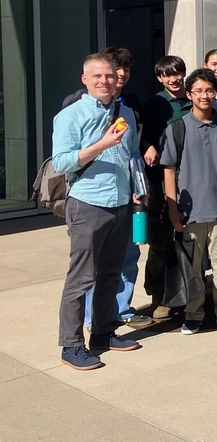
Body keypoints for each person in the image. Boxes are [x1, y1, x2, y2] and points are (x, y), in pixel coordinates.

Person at [53, 53, 145, 369]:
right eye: (97, 76)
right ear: (85, 80)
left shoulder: (128, 114)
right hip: (88, 203)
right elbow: (62, 162)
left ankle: (104, 333)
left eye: (109, 75)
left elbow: (133, 154)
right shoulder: (70, 115)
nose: (104, 81)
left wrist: (138, 185)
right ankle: (71, 345)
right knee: (81, 278)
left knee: (110, 273)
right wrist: (102, 145)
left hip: (121, 203)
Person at [72, 46, 151, 331]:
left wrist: (138, 185)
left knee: (128, 255)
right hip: (91, 198)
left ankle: (120, 308)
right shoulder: (76, 106)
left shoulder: (130, 107)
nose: (118, 75)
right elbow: (66, 157)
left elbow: (132, 153)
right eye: (112, 70)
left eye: (124, 70)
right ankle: (93, 318)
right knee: (92, 264)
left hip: (125, 193)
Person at [161, 70, 217, 334]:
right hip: (190, 213)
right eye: (198, 91)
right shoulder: (178, 128)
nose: (205, 95)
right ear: (189, 95)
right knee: (193, 267)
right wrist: (173, 210)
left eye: (209, 90)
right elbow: (169, 170)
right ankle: (193, 313)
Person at [139, 55, 191, 320]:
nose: (174, 78)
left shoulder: (194, 100)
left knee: (189, 241)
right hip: (160, 182)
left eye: (178, 72)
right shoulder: (154, 104)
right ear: (160, 78)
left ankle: (188, 293)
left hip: (191, 181)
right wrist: (147, 144)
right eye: (167, 74)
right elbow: (138, 135)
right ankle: (158, 295)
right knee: (160, 241)